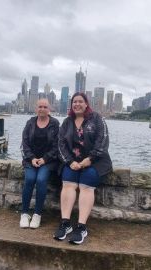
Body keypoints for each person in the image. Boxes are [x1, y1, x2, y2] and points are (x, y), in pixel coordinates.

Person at [53, 92, 112, 244]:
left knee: (86, 184)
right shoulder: (67, 122)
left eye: (80, 101)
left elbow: (103, 141)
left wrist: (90, 159)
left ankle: (81, 227)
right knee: (68, 183)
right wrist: (69, 161)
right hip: (73, 161)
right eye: (74, 102)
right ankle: (65, 223)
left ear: (86, 104)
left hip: (96, 161)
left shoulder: (97, 119)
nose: (77, 104)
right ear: (71, 105)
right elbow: (60, 145)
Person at [20, 99, 60, 229]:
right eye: (40, 106)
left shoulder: (54, 124)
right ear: (36, 108)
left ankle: (37, 214)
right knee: (30, 179)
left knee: (41, 180)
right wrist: (31, 158)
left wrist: (45, 159)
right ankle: (24, 214)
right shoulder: (30, 122)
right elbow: (25, 143)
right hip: (31, 160)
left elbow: (57, 145)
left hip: (48, 161)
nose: (42, 109)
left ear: (49, 109)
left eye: (45, 107)